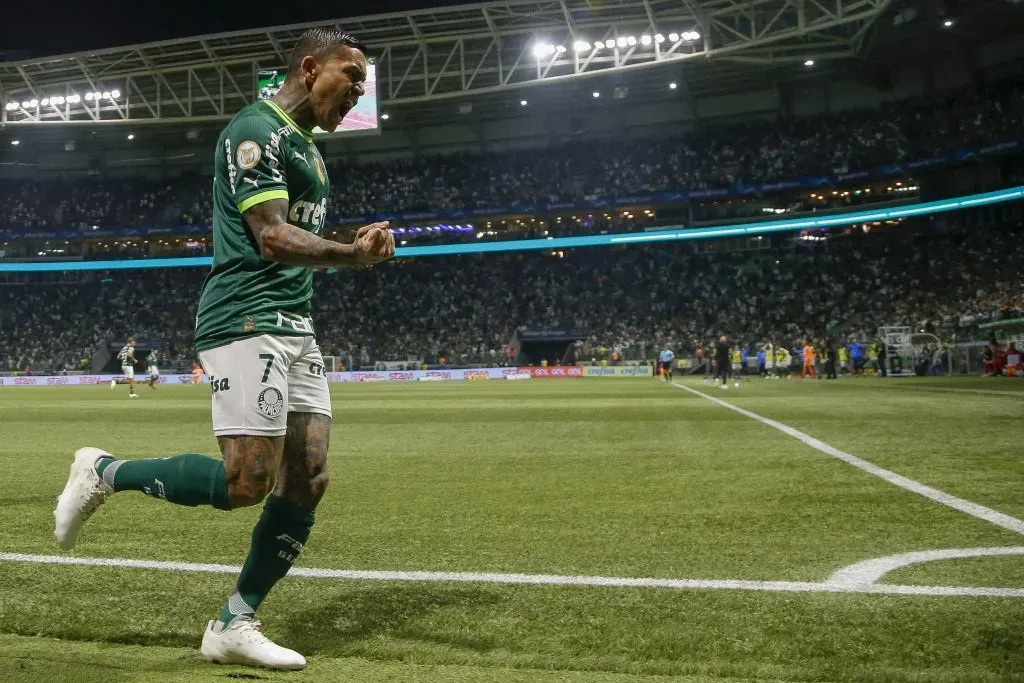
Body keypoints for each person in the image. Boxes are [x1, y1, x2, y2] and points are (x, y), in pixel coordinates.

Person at [54, 28, 395, 671]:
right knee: (246, 483)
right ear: (309, 67)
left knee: (309, 477)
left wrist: (354, 248)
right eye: (351, 76)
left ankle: (234, 621)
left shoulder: (308, 148)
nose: (358, 92)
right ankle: (104, 471)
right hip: (245, 316)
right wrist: (353, 255)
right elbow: (270, 236)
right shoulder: (255, 130)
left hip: (295, 323)